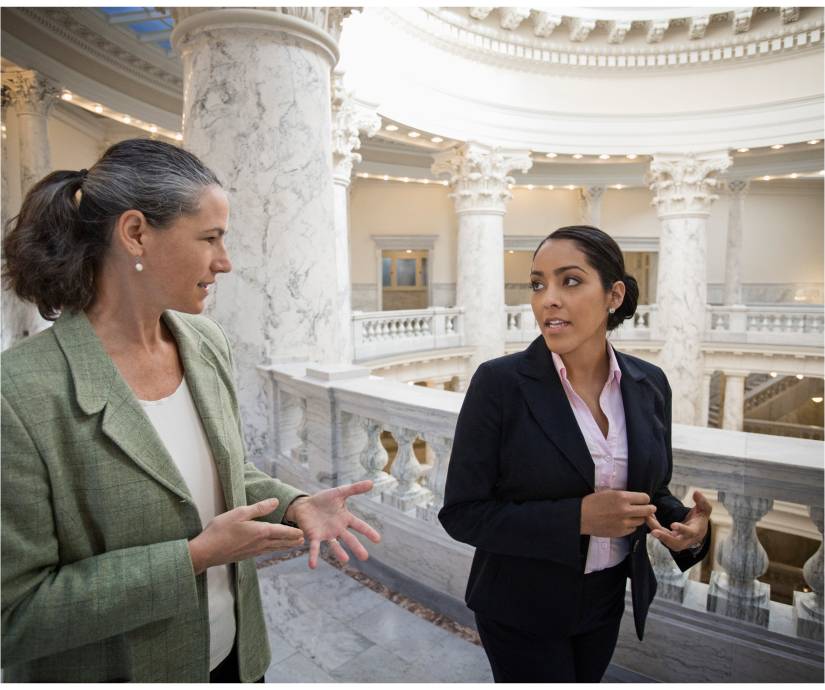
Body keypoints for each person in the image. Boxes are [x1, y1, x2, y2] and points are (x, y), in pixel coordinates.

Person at [0, 138, 381, 682]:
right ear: (135, 233)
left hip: (234, 657)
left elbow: (223, 475)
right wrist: (194, 558)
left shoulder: (203, 341)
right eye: (210, 238)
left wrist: (294, 505)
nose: (224, 262)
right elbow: (14, 616)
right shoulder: (18, 393)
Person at [438, 225, 712, 683]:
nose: (548, 298)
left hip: (606, 599)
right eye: (538, 283)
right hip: (519, 606)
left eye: (570, 280)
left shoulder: (650, 384)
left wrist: (687, 526)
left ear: (614, 294)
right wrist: (579, 518)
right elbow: (463, 514)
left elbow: (647, 490)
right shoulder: (499, 384)